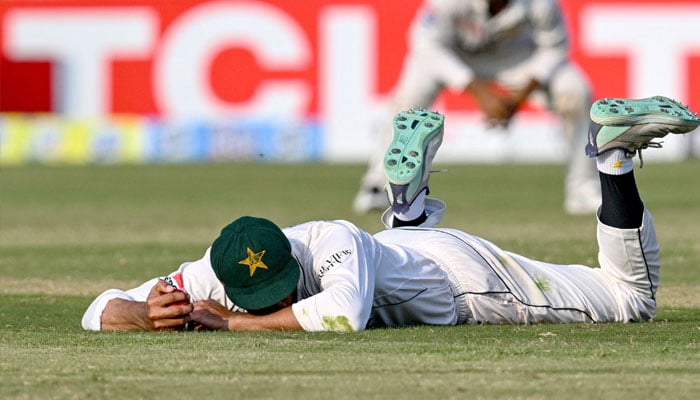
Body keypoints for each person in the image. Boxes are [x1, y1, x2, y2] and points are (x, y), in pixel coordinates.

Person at [81, 96, 699, 332]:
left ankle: (612, 156)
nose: (272, 302)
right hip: (408, 252)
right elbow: (94, 310)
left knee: (629, 300)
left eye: (278, 289)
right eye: (260, 297)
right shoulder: (211, 273)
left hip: (467, 282)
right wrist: (139, 311)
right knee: (391, 262)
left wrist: (235, 326)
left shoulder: (328, 240)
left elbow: (343, 312)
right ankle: (407, 207)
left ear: (291, 258)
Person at [353, 0, 601, 215]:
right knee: (409, 97)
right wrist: (478, 91)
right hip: (455, 55)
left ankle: (583, 188)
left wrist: (520, 96)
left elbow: (555, 48)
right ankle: (379, 185)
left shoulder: (540, 3)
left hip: (518, 58)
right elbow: (427, 46)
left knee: (575, 92)